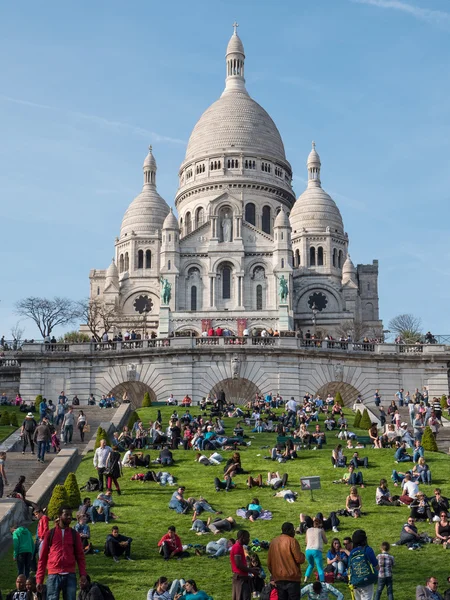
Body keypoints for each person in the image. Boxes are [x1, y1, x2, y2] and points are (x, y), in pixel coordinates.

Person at [36, 506, 87, 600]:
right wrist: (39, 579)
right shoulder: (50, 534)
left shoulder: (74, 534)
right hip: (53, 575)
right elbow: (42, 558)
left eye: (70, 515)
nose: (69, 517)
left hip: (70, 574)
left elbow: (80, 556)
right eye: (66, 514)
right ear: (59, 516)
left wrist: (83, 574)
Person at [348, 529, 378, 600]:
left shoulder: (352, 553)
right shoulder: (368, 549)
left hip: (356, 582)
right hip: (367, 582)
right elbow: (376, 566)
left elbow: (349, 568)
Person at [230, 530, 259, 600]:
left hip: (242, 578)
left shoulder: (239, 547)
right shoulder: (237, 547)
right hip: (240, 579)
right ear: (242, 537)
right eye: (247, 537)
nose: (249, 539)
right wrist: (252, 571)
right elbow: (238, 564)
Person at [304, 518, 327, 583]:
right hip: (316, 550)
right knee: (319, 567)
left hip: (308, 550)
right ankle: (322, 581)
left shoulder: (308, 530)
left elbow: (306, 542)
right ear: (320, 524)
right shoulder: (321, 530)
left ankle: (305, 579)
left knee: (311, 565)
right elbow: (326, 541)